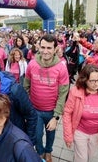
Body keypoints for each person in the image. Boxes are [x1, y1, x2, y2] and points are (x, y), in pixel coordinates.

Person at [24, 34, 69, 162]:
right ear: (38, 47)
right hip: (35, 110)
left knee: (51, 134)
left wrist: (56, 117)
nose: (45, 51)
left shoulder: (61, 67)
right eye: (42, 47)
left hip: (51, 111)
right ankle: (40, 151)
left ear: (55, 49)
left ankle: (48, 151)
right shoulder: (32, 64)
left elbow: (63, 93)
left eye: (49, 48)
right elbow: (26, 86)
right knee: (37, 136)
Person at [63, 64, 98, 162]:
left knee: (91, 157)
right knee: (81, 159)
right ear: (85, 80)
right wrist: (68, 135)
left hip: (97, 133)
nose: (96, 83)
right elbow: (67, 113)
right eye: (92, 81)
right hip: (79, 132)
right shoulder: (76, 92)